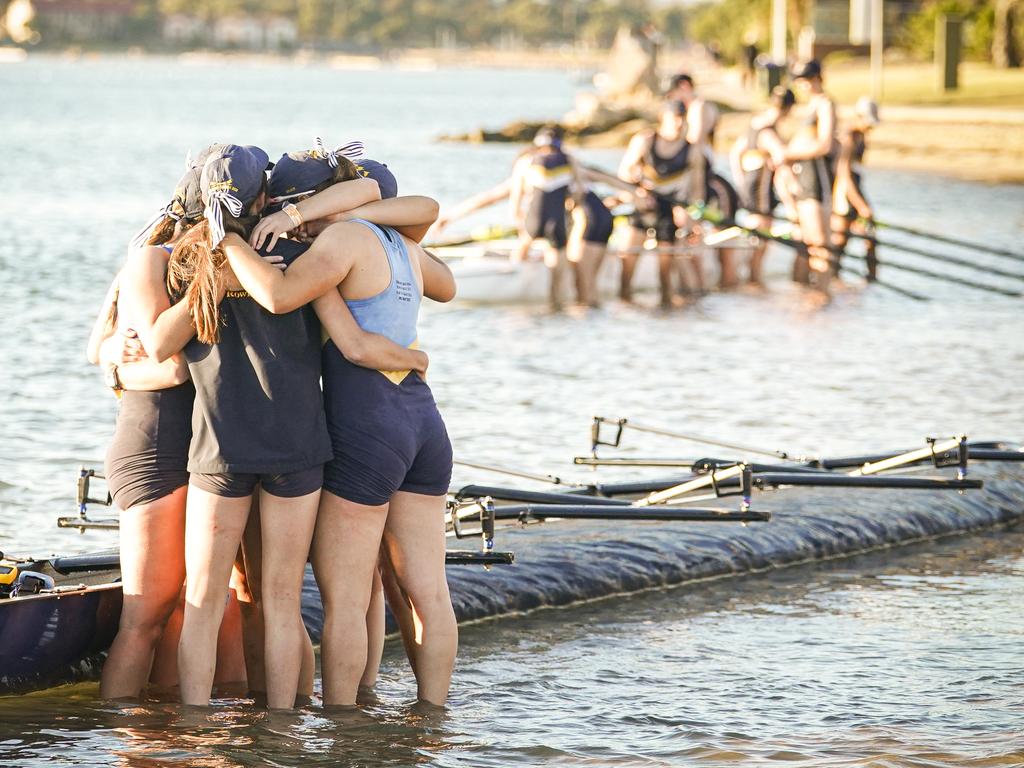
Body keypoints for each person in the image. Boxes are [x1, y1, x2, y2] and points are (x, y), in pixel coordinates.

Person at [160, 144, 429, 709]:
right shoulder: (307, 248)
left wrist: (219, 255)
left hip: (220, 445)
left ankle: (194, 720)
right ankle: (282, 722)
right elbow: (370, 197)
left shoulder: (199, 258)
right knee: (281, 599)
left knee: (205, 600)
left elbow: (161, 344)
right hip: (300, 446)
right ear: (266, 194)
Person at [221, 179, 458, 708]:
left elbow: (283, 299)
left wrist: (232, 241)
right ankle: (435, 716)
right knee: (430, 592)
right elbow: (437, 250)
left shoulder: (341, 242)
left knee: (346, 602)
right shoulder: (406, 246)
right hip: (423, 419)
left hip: (367, 424)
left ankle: (343, 725)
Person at [87, 151, 250, 701]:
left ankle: (182, 736)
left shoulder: (205, 260)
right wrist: (117, 356)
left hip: (206, 451)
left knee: (204, 607)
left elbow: (102, 347)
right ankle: (128, 739)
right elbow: (166, 363)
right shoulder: (153, 261)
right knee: (147, 614)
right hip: (155, 445)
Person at [619, 100, 703, 305]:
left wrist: (692, 218)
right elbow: (624, 172)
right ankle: (625, 299)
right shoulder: (645, 140)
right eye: (674, 119)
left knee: (665, 272)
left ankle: (665, 305)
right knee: (627, 261)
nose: (679, 124)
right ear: (662, 119)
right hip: (644, 206)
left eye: (682, 119)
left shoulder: (692, 151)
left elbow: (697, 190)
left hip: (670, 209)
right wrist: (637, 192)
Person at [775, 58, 838, 295]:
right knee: (806, 241)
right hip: (803, 175)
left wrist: (789, 154)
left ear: (815, 79)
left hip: (816, 175)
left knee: (819, 242)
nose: (801, 87)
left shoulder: (825, 104)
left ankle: (822, 295)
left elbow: (824, 145)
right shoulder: (811, 105)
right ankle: (805, 296)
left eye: (804, 81)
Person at [729, 87, 799, 286]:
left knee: (756, 230)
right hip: (761, 184)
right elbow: (782, 159)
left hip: (751, 181)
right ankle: (755, 278)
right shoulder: (769, 131)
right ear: (788, 108)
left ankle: (750, 275)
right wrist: (793, 192)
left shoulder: (755, 124)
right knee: (762, 234)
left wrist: (741, 181)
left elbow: (735, 153)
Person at [508, 125, 581, 310]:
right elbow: (578, 191)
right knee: (557, 271)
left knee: (524, 244)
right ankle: (555, 304)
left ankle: (511, 281)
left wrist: (517, 218)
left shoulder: (526, 160)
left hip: (533, 221)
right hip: (557, 222)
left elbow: (516, 196)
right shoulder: (569, 159)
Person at [832, 97, 880, 279]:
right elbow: (843, 174)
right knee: (840, 240)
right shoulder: (850, 137)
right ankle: (833, 278)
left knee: (869, 236)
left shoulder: (861, 136)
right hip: (844, 194)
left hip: (855, 188)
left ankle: (871, 280)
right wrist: (861, 206)